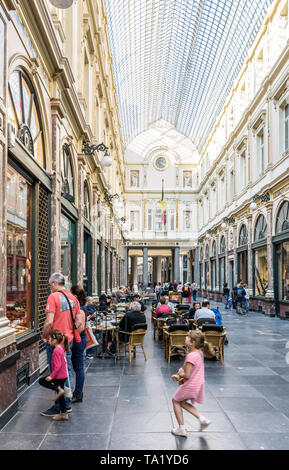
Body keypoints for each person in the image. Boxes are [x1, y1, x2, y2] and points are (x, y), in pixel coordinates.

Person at [41, 272, 84, 418]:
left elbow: (49, 322)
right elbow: (79, 322)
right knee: (66, 371)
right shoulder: (74, 298)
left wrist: (44, 335)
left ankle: (61, 406)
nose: (49, 288)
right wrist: (69, 333)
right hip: (68, 340)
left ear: (54, 283)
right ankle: (67, 404)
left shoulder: (53, 297)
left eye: (49, 285)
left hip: (55, 342)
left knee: (57, 374)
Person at [171, 330, 211, 437]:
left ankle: (181, 429)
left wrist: (181, 374)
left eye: (187, 337)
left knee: (175, 400)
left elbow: (187, 375)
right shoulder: (199, 353)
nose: (185, 338)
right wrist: (178, 375)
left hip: (190, 384)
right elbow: (186, 369)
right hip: (198, 384)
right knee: (182, 402)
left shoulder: (191, 356)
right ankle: (203, 420)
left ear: (192, 343)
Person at [39, 330, 69, 421]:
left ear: (55, 341)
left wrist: (51, 376)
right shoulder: (61, 348)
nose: (49, 341)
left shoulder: (56, 351)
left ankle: (57, 389)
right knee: (61, 397)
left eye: (50, 339)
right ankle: (64, 414)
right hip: (63, 375)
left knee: (41, 381)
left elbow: (58, 366)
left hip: (58, 376)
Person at [70, 285, 88, 403]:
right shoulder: (79, 306)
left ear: (75, 296)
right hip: (79, 339)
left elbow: (80, 327)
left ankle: (78, 394)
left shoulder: (80, 308)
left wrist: (71, 335)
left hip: (79, 340)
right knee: (78, 367)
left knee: (78, 367)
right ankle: (77, 393)